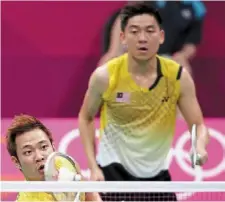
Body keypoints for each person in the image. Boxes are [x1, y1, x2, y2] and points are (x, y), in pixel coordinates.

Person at [79, 2, 209, 201]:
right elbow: (85, 117)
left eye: (150, 31)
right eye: (134, 31)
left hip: (156, 179)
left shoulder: (177, 77)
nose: (142, 38)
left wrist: (198, 146)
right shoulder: (105, 77)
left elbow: (198, 124)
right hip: (112, 178)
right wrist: (92, 166)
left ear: (161, 37)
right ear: (123, 37)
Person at [6, 114, 101, 202]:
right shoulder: (27, 200)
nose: (39, 157)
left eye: (43, 147)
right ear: (16, 162)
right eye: (28, 152)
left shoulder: (65, 163)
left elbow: (89, 193)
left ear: (53, 147)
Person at [98, 1, 206, 75]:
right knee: (109, 65)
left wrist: (182, 56)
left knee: (183, 71)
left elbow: (191, 42)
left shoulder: (195, 8)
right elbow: (124, 17)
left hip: (165, 57)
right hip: (133, 52)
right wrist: (115, 50)